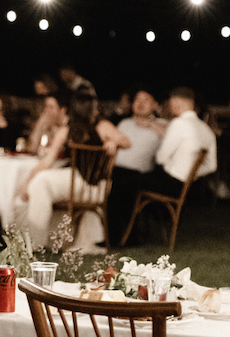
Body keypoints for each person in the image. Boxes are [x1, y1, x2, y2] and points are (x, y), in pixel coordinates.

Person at [13, 91, 120, 250]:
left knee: (40, 182)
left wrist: (113, 141)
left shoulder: (97, 127)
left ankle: (34, 242)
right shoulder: (98, 127)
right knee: (40, 183)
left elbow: (46, 162)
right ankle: (38, 238)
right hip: (96, 186)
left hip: (90, 186)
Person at [130, 88, 218, 235]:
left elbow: (161, 158)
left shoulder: (178, 124)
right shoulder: (206, 130)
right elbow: (212, 166)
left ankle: (128, 232)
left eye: (170, 103)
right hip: (187, 187)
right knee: (132, 179)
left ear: (176, 103)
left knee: (126, 181)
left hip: (169, 183)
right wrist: (191, 174)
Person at [105, 88, 166, 238]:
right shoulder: (125, 123)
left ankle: (123, 235)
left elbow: (169, 139)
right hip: (117, 171)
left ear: (154, 105)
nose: (140, 103)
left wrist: (150, 125)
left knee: (121, 182)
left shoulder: (162, 124)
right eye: (137, 99)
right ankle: (115, 234)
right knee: (113, 179)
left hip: (142, 175)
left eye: (146, 100)